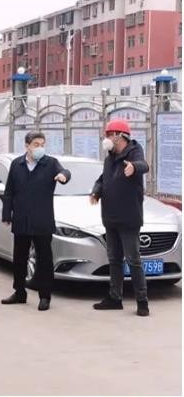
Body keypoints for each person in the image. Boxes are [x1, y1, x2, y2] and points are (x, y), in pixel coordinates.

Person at [1, 131, 71, 311]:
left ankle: (45, 296)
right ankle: (19, 292)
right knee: (19, 258)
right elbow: (9, 191)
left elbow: (65, 172)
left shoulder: (51, 163)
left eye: (42, 145)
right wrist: (7, 214)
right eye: (36, 145)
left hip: (42, 220)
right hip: (21, 219)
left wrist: (63, 176)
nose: (40, 148)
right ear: (27, 146)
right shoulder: (17, 164)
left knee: (44, 259)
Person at [90, 119, 150, 316]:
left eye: (108, 134)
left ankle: (142, 301)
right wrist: (96, 192)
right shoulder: (110, 158)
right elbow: (102, 179)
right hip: (110, 217)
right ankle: (115, 298)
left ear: (119, 136)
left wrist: (134, 167)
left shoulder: (134, 151)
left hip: (129, 218)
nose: (106, 138)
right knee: (114, 259)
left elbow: (144, 165)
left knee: (133, 260)